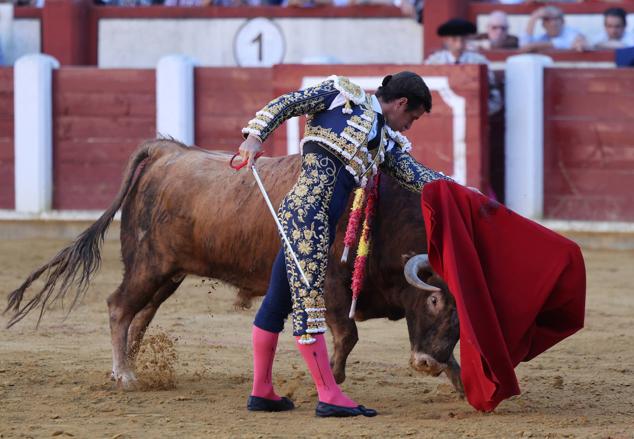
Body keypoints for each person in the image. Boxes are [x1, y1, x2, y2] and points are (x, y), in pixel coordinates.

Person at [237, 72, 451, 417]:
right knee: (308, 311)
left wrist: (461, 192)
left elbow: (418, 176)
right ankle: (328, 395)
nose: (409, 126)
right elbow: (288, 103)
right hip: (308, 217)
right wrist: (254, 136)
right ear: (401, 103)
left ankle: (262, 390)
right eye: (412, 117)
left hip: (314, 221)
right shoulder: (341, 95)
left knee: (278, 302)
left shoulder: (384, 141)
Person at [425, 18, 503, 115]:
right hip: (441, 117)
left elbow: (495, 99)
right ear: (446, 40)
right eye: (454, 40)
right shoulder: (433, 63)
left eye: (462, 40)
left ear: (467, 39)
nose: (459, 45)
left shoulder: (480, 62)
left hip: (473, 117)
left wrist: (478, 112)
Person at [519, 5, 586, 52]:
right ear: (543, 24)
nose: (552, 23)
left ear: (563, 21)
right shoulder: (543, 38)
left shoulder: (573, 32)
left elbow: (564, 43)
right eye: (548, 19)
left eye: (556, 19)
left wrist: (533, 46)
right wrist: (534, 18)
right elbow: (524, 44)